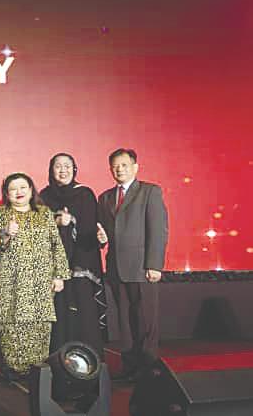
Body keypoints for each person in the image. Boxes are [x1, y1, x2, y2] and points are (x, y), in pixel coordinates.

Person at [96, 148, 168, 379]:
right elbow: (104, 231)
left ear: (135, 167)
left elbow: (158, 230)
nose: (119, 169)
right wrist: (102, 239)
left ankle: (149, 368)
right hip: (117, 267)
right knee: (125, 322)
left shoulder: (149, 192)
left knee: (146, 320)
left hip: (142, 268)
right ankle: (129, 366)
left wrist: (154, 264)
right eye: (115, 166)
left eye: (124, 165)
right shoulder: (105, 197)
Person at [0, 173, 70, 379]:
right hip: (10, 279)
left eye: (23, 187)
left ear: (31, 190)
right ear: (7, 194)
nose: (19, 192)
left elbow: (56, 245)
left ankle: (38, 369)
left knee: (39, 323)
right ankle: (12, 368)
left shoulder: (44, 213)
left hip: (40, 280)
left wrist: (59, 275)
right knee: (10, 323)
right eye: (13, 189)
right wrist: (7, 232)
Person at [39, 153, 106, 355]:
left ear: (74, 169)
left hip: (81, 266)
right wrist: (56, 222)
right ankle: (58, 361)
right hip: (52, 268)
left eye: (67, 166)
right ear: (51, 170)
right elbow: (37, 229)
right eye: (58, 166)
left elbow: (91, 229)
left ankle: (89, 363)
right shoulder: (43, 196)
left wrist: (97, 236)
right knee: (58, 314)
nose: (63, 170)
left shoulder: (85, 194)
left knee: (83, 314)